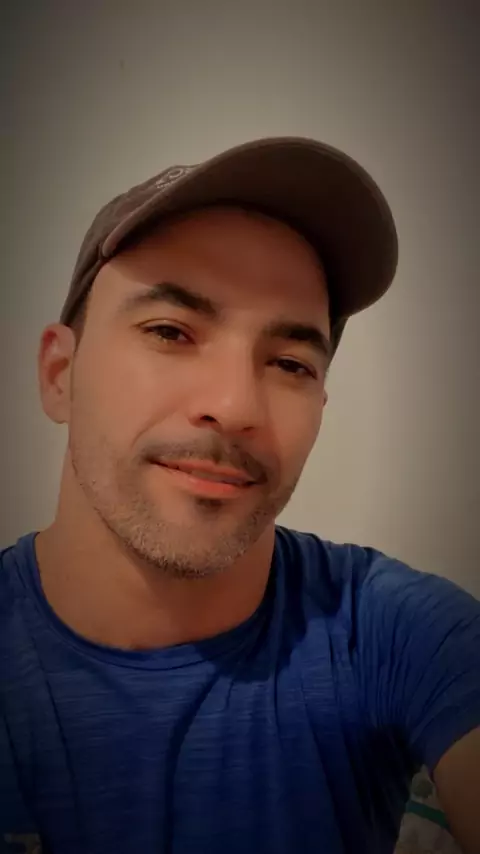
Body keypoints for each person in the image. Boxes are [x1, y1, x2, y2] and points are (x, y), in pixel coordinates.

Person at [1, 137, 478, 854]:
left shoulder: (395, 629)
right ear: (59, 375)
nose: (234, 406)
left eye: (289, 363)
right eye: (170, 331)